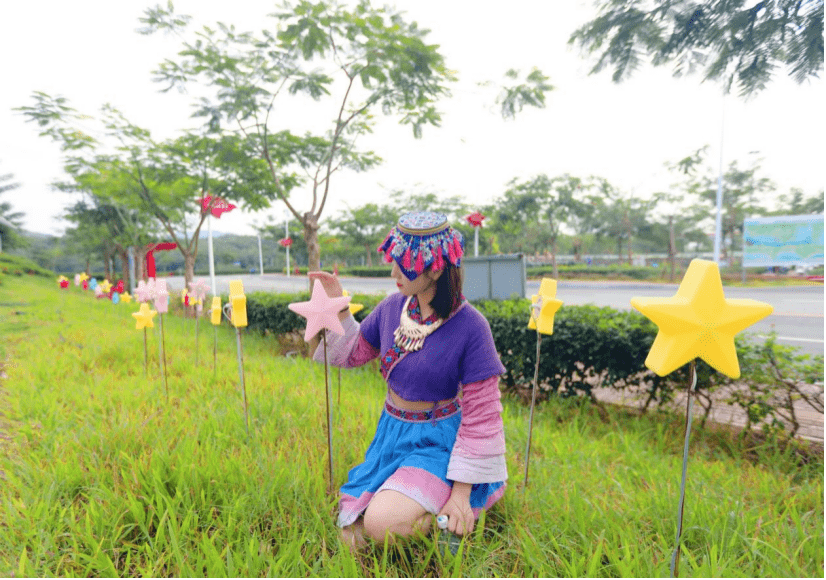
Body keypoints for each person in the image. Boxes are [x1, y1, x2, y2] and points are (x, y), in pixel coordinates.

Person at [307, 211, 508, 551]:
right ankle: (403, 499)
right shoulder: (392, 309)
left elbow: (482, 418)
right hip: (392, 435)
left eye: (405, 263)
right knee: (351, 539)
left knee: (382, 524)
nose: (393, 273)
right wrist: (336, 310)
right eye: (394, 261)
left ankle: (453, 510)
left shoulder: (472, 327)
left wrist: (459, 494)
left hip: (437, 442)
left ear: (436, 268)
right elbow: (353, 353)